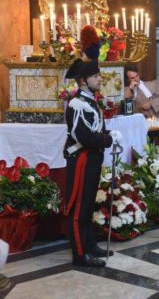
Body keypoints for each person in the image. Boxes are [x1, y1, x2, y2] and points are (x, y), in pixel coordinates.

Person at [63, 58, 117, 267]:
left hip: (92, 158)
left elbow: (94, 128)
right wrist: (107, 139)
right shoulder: (77, 104)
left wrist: (108, 134)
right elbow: (82, 135)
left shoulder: (90, 101)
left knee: (88, 205)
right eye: (96, 76)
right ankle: (79, 254)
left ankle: (89, 244)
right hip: (82, 159)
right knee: (79, 208)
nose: (100, 79)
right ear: (83, 81)